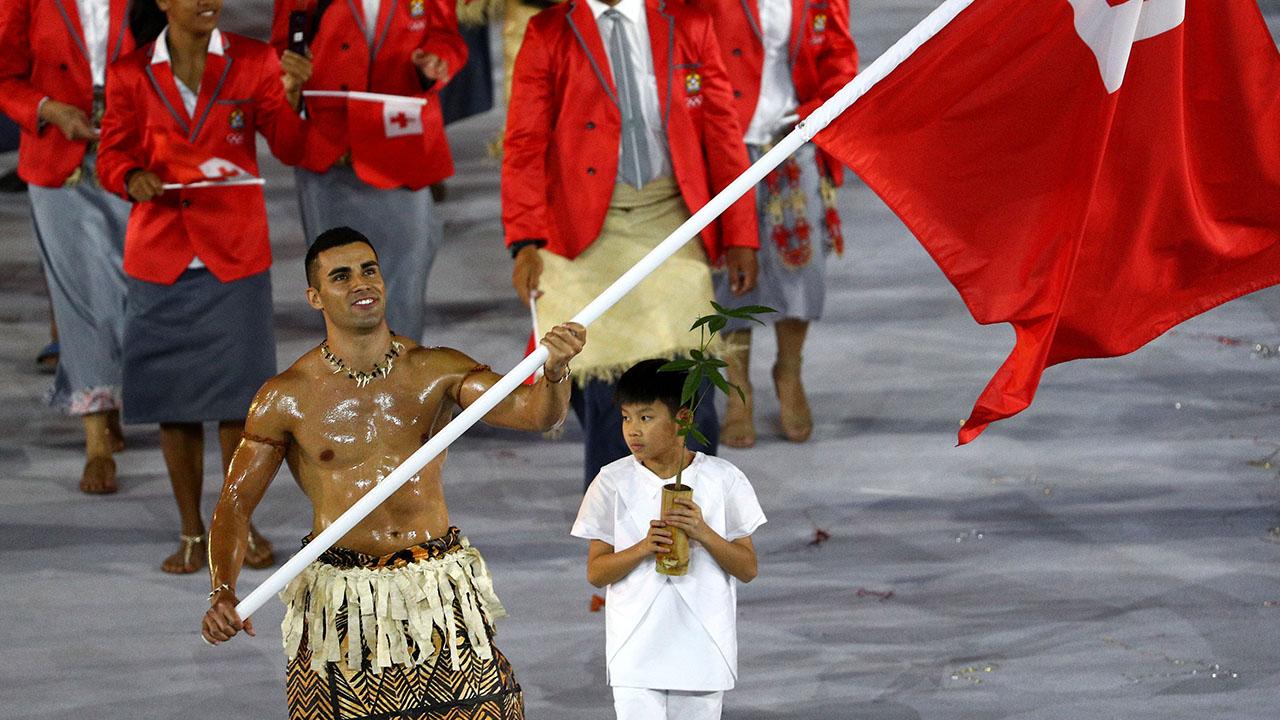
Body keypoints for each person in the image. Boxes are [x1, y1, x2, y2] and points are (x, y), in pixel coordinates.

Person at [200, 227, 586, 720]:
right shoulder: (286, 396)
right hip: (343, 597)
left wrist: (555, 371)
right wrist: (222, 590)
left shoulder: (436, 369)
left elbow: (537, 414)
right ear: (315, 296)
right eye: (341, 276)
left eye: (369, 270)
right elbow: (235, 502)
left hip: (435, 587)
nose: (362, 283)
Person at [503, 0, 760, 488]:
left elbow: (723, 132)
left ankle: (694, 517)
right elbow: (524, 141)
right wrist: (525, 241)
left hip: (674, 223)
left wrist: (741, 233)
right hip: (580, 235)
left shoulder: (690, 21)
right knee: (608, 403)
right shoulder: (549, 33)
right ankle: (617, 533)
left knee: (691, 389)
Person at [96, 0, 311, 572]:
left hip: (233, 256)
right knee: (176, 407)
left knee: (240, 409)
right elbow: (109, 154)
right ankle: (193, 532)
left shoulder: (254, 60)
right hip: (160, 257)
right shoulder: (129, 73)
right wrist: (129, 175)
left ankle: (236, 526)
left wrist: (293, 96)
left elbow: (289, 148)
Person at [697, 0, 858, 446]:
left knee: (802, 264)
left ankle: (789, 371)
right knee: (730, 272)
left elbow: (838, 56)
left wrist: (824, 110)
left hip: (796, 136)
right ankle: (737, 388)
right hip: (725, 137)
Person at [571, 359, 765, 720]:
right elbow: (597, 573)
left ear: (684, 418)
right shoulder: (610, 482)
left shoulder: (724, 479)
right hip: (635, 649)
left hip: (703, 644)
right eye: (627, 417)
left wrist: (703, 533)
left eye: (646, 418)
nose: (632, 431)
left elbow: (748, 567)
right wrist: (644, 548)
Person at [270, 0, 467, 343]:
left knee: (404, 288)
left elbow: (447, 37)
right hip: (330, 155)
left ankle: (405, 388)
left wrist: (435, 61)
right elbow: (280, 50)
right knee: (338, 287)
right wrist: (287, 74)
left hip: (401, 147)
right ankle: (351, 388)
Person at [0, 0, 136, 493]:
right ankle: (96, 435)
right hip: (58, 150)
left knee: (133, 294)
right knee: (81, 298)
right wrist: (49, 110)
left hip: (136, 148)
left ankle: (113, 394)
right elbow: (5, 74)